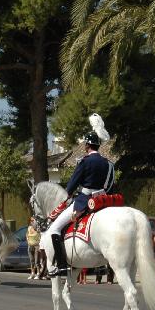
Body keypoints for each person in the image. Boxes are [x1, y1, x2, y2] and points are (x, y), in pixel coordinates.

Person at [45, 114, 115, 277]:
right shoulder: (108, 163)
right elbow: (110, 184)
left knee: (54, 229)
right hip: (103, 200)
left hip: (84, 201)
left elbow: (71, 186)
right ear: (98, 145)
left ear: (87, 145)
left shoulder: (84, 161)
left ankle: (61, 266)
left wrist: (67, 195)